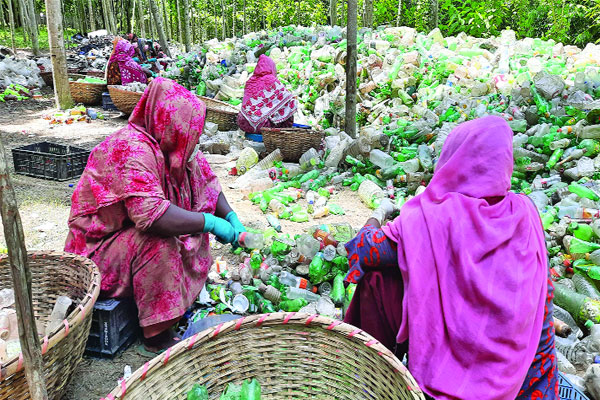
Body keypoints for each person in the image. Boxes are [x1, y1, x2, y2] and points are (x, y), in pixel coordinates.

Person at [343, 116, 558, 399]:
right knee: (543, 285)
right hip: (524, 380)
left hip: (448, 377)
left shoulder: (433, 218)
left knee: (378, 280)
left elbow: (363, 249)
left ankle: (375, 381)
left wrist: (376, 216)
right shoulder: (525, 213)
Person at [64, 78, 247, 353]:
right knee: (159, 243)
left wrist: (232, 218)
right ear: (170, 123)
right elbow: (152, 217)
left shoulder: (171, 145)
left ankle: (177, 303)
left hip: (127, 237)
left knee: (190, 226)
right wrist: (209, 222)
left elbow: (207, 183)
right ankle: (157, 335)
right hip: (98, 249)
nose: (195, 140)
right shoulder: (130, 149)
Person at [237, 55, 297, 134]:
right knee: (289, 104)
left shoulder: (250, 81)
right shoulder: (271, 80)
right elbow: (288, 98)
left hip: (244, 124)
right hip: (263, 127)